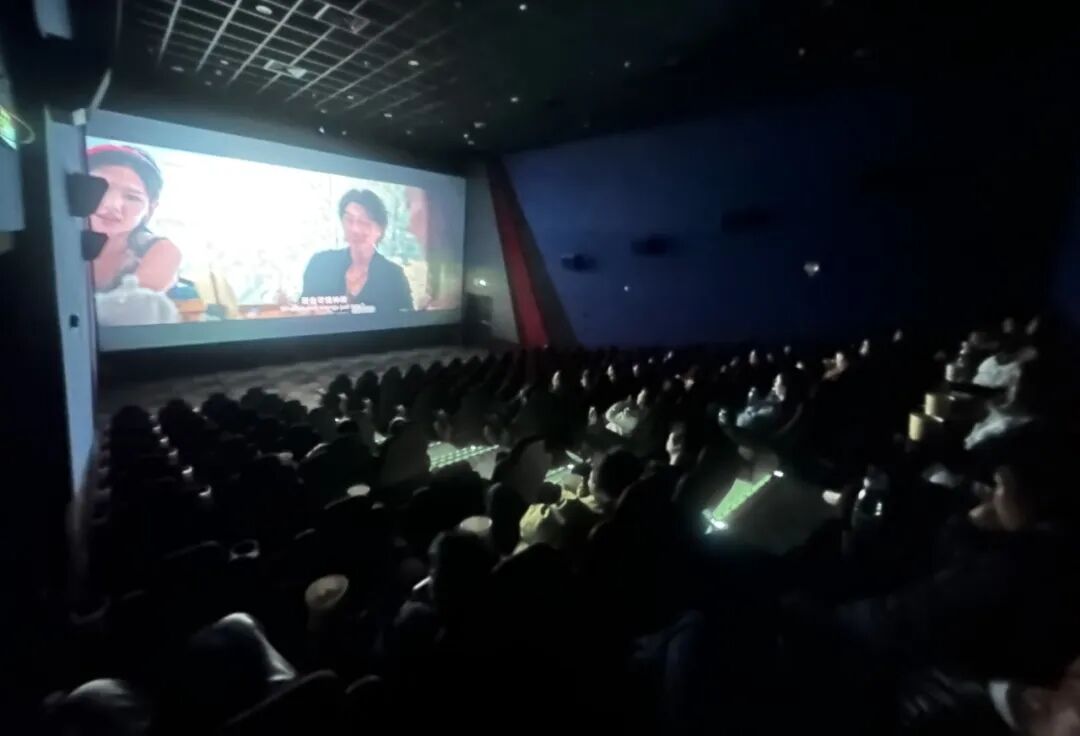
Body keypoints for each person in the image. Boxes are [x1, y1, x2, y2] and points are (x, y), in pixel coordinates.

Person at [87, 144, 181, 293]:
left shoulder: (159, 250)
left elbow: (132, 304)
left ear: (150, 209)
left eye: (132, 197)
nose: (112, 205)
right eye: (99, 188)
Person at [301, 189, 413, 313]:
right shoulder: (320, 264)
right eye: (349, 220)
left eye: (363, 222)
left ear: (380, 230)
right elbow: (304, 313)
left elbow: (407, 320)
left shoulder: (394, 277)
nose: (355, 229)